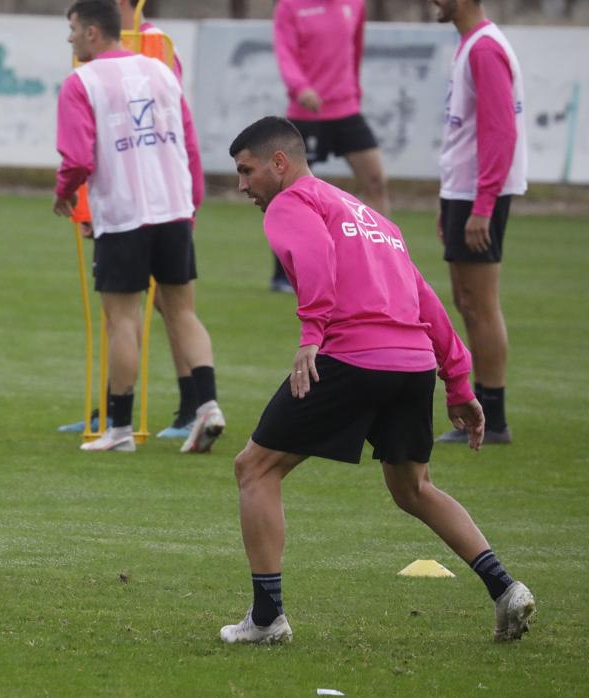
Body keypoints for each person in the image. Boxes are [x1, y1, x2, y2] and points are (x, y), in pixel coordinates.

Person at [220, 116, 534, 645]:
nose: (243, 185)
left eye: (247, 171)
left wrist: (311, 331)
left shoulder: (292, 203)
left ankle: (268, 617)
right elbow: (424, 297)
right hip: (411, 366)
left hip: (353, 358)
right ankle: (506, 589)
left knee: (255, 468)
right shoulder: (370, 216)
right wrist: (458, 381)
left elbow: (316, 260)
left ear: (280, 163)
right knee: (414, 488)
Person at [54, 0, 225, 454]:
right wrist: (193, 204)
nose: (69, 38)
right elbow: (189, 144)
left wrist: (63, 194)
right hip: (173, 210)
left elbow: (77, 159)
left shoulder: (82, 81)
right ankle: (208, 405)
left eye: (72, 29)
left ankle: (120, 430)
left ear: (92, 32)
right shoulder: (161, 70)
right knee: (183, 312)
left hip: (124, 214)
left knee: (123, 321)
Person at [432, 0, 525, 445]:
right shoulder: (471, 45)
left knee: (480, 302)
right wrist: (447, 200)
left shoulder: (485, 49)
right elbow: (465, 131)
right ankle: (484, 408)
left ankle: (494, 415)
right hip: (463, 192)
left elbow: (500, 130)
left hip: (477, 194)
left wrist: (483, 203)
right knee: (467, 300)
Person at [269, 0, 389, 294]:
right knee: (289, 193)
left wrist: (355, 93)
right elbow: (286, 54)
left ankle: (383, 261)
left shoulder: (355, 4)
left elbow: (355, 50)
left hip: (346, 108)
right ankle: (284, 273)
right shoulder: (289, 6)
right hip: (305, 111)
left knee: (376, 180)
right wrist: (301, 88)